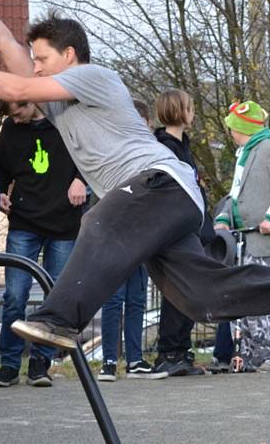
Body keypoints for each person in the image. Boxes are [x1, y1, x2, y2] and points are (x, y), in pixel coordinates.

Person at [0, 0, 270, 358]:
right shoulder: (56, 99)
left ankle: (59, 319)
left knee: (97, 220)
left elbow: (14, 85)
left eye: (42, 61)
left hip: (159, 185)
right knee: (201, 297)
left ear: (69, 55)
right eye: (34, 62)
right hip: (163, 207)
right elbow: (3, 43)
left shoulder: (92, 77)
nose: (35, 68)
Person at [0, 97, 85, 388]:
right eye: (9, 114)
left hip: (63, 223)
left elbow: (93, 155)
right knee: (15, 296)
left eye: (17, 110)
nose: (14, 118)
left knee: (54, 297)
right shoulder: (11, 128)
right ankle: (8, 364)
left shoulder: (66, 121)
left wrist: (81, 179)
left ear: (30, 100)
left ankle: (40, 363)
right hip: (25, 223)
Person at [213, 101, 270, 372]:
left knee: (266, 300)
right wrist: (223, 217)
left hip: (268, 240)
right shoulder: (245, 153)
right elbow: (236, 194)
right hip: (247, 240)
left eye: (232, 127)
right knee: (248, 300)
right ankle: (252, 354)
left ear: (243, 128)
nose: (230, 132)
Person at [151, 89, 214, 377]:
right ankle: (168, 353)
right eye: (190, 107)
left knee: (187, 293)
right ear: (178, 111)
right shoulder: (163, 148)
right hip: (173, 231)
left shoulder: (183, 146)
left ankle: (180, 350)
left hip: (191, 229)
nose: (193, 112)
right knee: (177, 293)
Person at [98, 99, 162, 382]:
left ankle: (135, 359)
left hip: (144, 234)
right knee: (114, 299)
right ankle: (109, 359)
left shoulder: (154, 153)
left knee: (137, 299)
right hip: (116, 233)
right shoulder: (112, 152)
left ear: (147, 124)